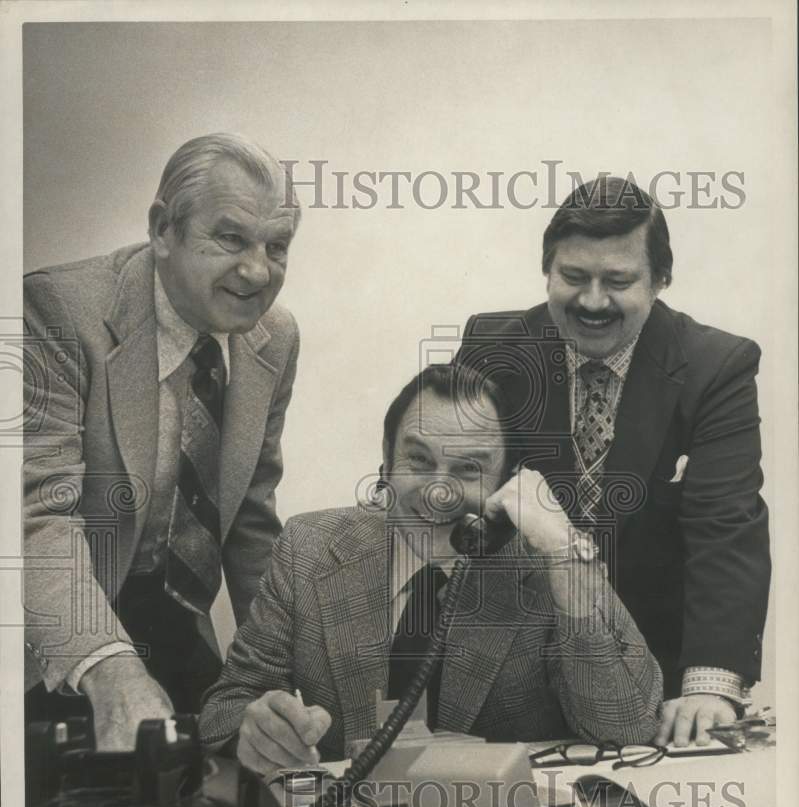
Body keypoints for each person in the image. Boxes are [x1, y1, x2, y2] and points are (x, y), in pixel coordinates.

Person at [199, 364, 662, 776]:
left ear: (507, 481)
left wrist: (563, 551)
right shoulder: (309, 547)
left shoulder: (546, 564)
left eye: (467, 469)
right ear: (386, 458)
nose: (437, 492)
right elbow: (224, 708)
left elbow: (627, 727)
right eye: (418, 460)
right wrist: (255, 728)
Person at [456, 176, 770, 746]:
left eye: (618, 281)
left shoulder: (717, 366)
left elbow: (725, 524)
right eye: (573, 278)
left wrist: (709, 683)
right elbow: (449, 492)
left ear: (661, 281)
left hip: (654, 688)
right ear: (546, 270)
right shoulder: (492, 346)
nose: (593, 301)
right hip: (512, 683)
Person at [23, 133, 302, 750]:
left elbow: (252, 520)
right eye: (230, 238)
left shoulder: (274, 338)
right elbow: (34, 517)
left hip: (176, 623)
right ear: (162, 229)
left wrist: (286, 675)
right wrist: (109, 667)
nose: (258, 271)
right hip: (52, 635)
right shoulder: (54, 310)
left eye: (276, 247)